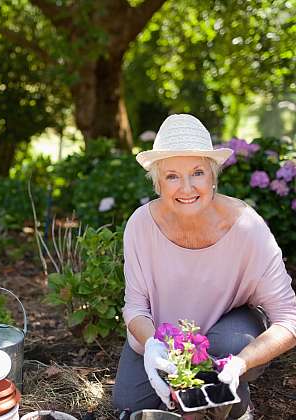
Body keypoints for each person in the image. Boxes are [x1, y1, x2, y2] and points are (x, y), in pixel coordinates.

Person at [112, 114, 296, 419]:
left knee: (229, 353)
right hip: (165, 336)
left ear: (213, 176)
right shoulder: (141, 225)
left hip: (227, 332)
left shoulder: (247, 228)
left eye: (197, 172)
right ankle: (200, 397)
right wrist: (153, 345)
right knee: (128, 404)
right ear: (157, 183)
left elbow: (289, 320)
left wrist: (242, 362)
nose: (186, 188)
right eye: (172, 176)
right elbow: (134, 308)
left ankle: (232, 399)